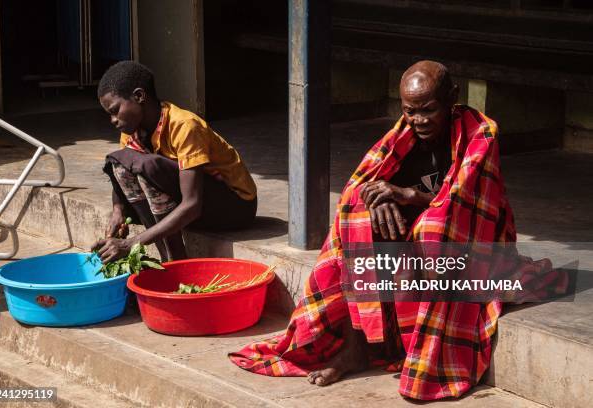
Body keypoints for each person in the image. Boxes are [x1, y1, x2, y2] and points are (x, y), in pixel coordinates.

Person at [228, 61, 560, 400]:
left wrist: (408, 195)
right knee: (356, 215)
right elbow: (364, 183)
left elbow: (463, 206)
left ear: (452, 98)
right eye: (410, 112)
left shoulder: (480, 133)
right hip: (417, 230)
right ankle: (357, 343)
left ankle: (430, 351)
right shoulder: (403, 137)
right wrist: (376, 200)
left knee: (434, 229)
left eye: (429, 110)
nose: (419, 121)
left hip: (473, 238)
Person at [91, 61, 257, 263]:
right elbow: (124, 167)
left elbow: (192, 204)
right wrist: (118, 210)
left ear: (139, 96)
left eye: (115, 111)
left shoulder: (185, 126)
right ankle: (168, 260)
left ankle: (176, 259)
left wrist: (132, 243)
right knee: (123, 161)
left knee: (145, 165)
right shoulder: (131, 131)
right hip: (198, 208)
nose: (113, 120)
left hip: (234, 207)